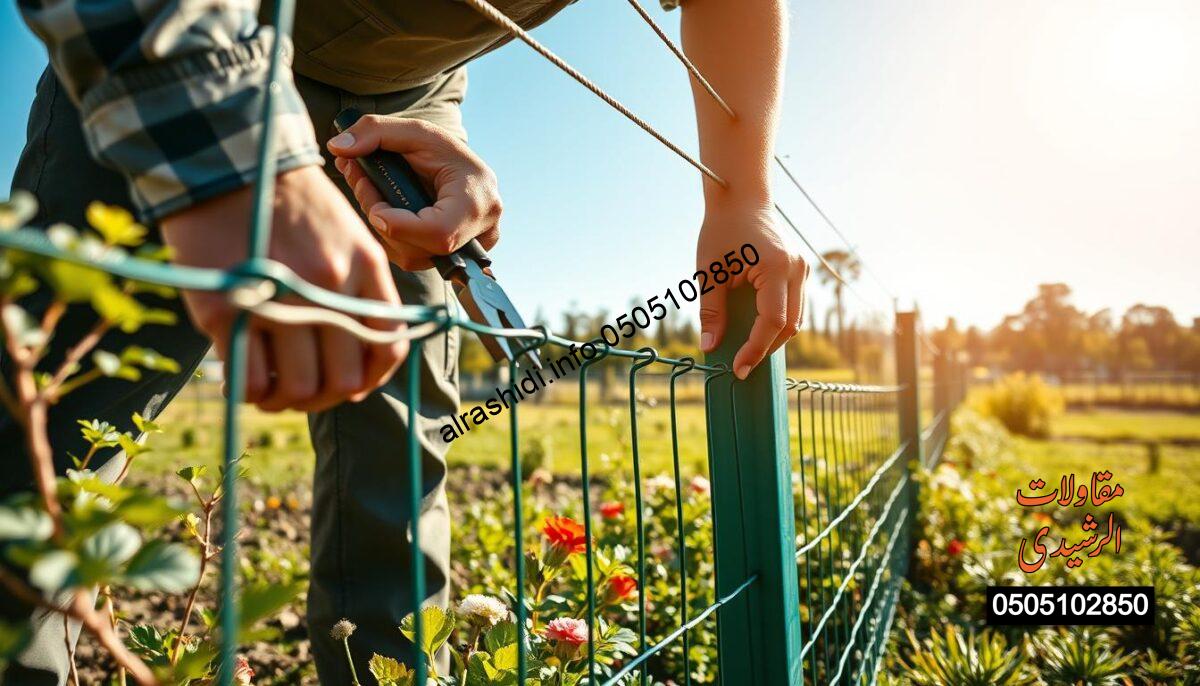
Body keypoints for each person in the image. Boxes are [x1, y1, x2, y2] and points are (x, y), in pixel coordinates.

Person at [2, 0, 806, 682]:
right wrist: (232, 160)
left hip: (387, 130)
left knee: (400, 459)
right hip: (175, 60)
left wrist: (747, 195)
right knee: (43, 456)